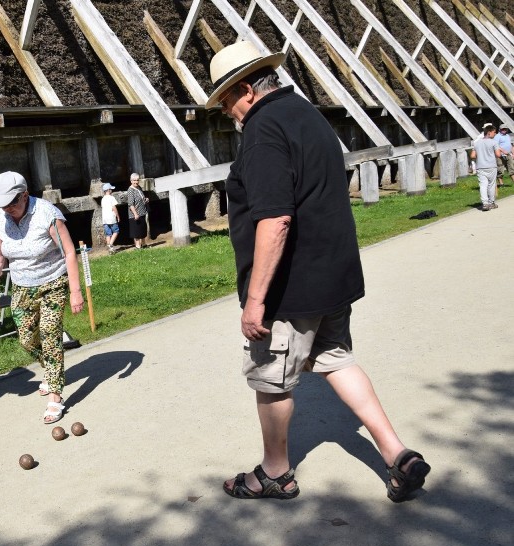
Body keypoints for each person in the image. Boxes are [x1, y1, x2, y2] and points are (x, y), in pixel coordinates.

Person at [205, 41, 430, 502]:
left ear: (246, 89)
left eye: (227, 100)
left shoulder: (263, 129)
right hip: (332, 277)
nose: (227, 111)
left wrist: (255, 300)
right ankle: (397, 453)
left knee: (271, 378)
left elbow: (275, 219)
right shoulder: (307, 115)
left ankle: (275, 472)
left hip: (291, 289)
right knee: (335, 359)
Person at [0, 171, 84, 424]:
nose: (8, 209)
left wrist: (75, 291)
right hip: (21, 287)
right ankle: (53, 371)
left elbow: (70, 252)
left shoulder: (47, 214)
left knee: (50, 333)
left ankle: (55, 396)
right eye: (3, 204)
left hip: (54, 281)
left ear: (25, 195)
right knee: (27, 340)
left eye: (12, 203)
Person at [471, 124, 501, 211]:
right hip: (491, 166)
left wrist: (480, 155)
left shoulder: (477, 143)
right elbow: (498, 154)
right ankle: (491, 202)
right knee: (491, 185)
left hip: (480, 167)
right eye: (494, 132)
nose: (495, 134)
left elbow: (472, 155)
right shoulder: (494, 142)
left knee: (483, 185)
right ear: (489, 132)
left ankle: (485, 203)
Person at [126, 173, 149, 249]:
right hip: (135, 215)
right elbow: (131, 204)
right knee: (136, 231)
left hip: (142, 212)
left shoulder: (139, 187)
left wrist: (145, 199)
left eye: (137, 180)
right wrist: (135, 214)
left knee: (142, 229)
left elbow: (141, 198)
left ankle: (144, 245)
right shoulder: (130, 190)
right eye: (134, 180)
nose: (136, 182)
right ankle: (138, 247)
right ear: (131, 181)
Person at [100, 182, 121, 253]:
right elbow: (114, 208)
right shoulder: (112, 198)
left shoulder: (103, 199)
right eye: (111, 189)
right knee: (116, 231)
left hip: (105, 219)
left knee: (108, 234)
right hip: (111, 218)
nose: (112, 190)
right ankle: (111, 244)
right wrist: (118, 216)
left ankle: (110, 249)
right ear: (108, 190)